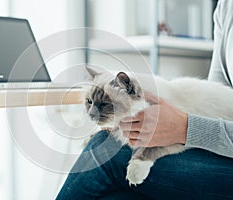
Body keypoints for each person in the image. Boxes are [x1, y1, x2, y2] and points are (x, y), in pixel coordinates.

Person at [56, 0, 233, 199]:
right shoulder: (226, 7)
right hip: (219, 153)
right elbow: (219, 91)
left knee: (105, 151)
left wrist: (185, 128)